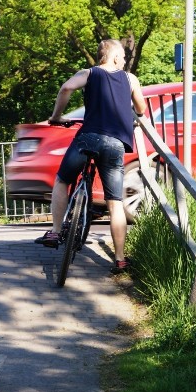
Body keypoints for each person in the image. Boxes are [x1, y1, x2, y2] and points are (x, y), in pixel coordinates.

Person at [34, 39, 147, 274]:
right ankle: (119, 259)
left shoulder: (89, 73)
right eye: (123, 57)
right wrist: (133, 110)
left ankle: (56, 231)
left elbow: (66, 88)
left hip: (89, 137)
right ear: (114, 57)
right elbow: (142, 109)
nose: (125, 60)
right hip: (116, 143)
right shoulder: (130, 79)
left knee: (63, 180)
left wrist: (56, 117)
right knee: (115, 203)